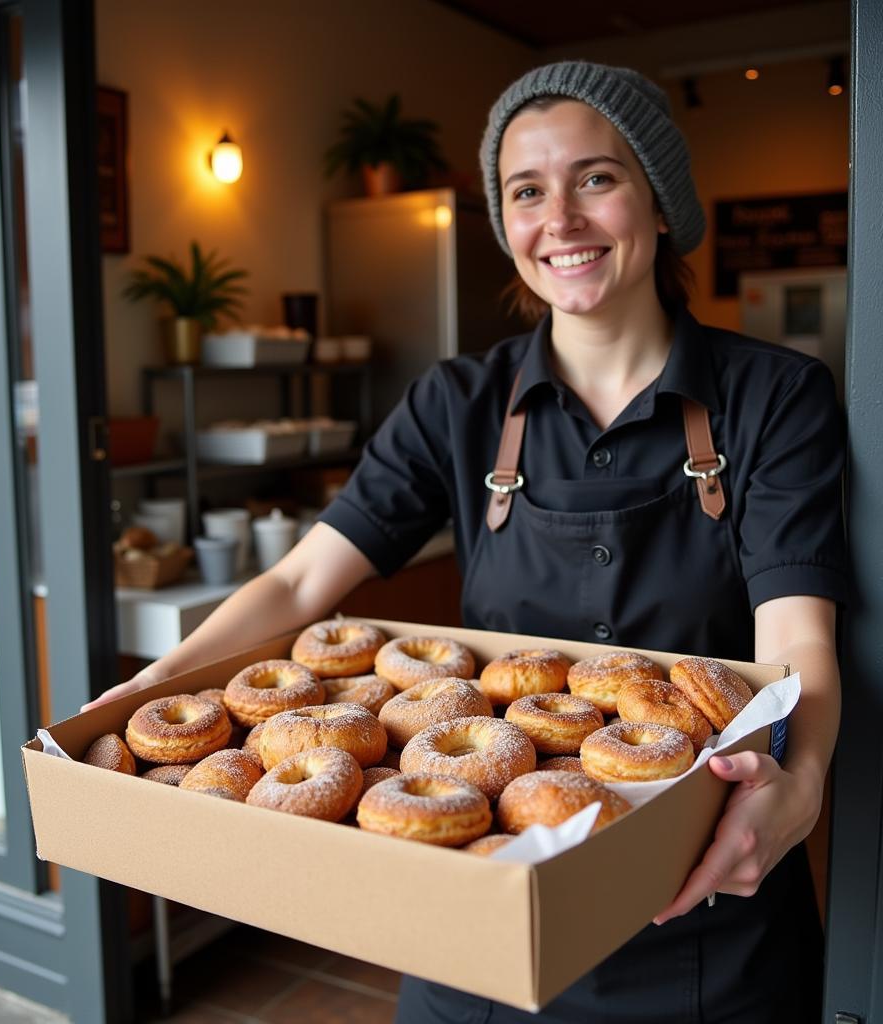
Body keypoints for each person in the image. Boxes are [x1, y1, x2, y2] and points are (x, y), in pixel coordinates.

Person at [86, 61, 846, 1023]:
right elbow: (300, 579)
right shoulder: (457, 403)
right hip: (477, 922)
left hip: (700, 909)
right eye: (527, 191)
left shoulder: (776, 396)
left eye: (597, 179)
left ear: (661, 205)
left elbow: (798, 640)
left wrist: (802, 783)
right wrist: (158, 684)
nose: (559, 219)